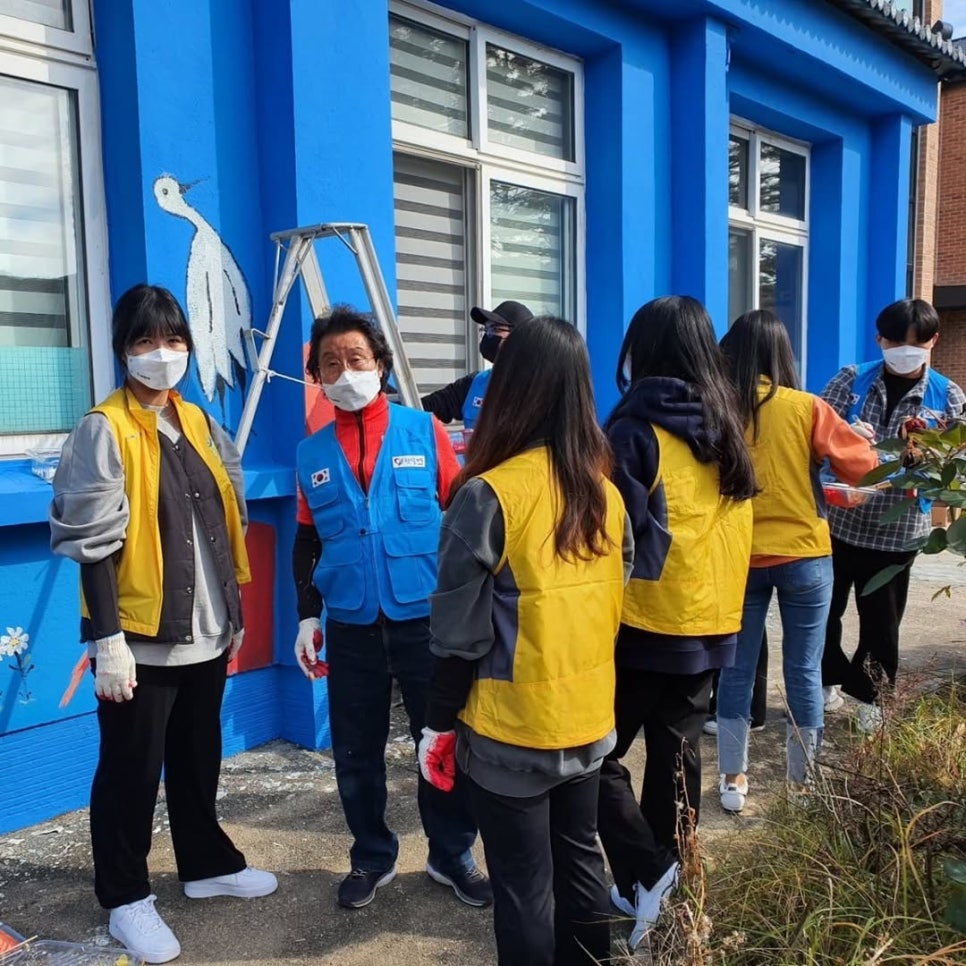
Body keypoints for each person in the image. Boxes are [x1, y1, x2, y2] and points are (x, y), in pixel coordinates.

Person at [48, 284, 277, 965]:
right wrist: (107, 639)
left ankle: (205, 864)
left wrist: (234, 611)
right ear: (123, 349)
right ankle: (125, 896)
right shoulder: (104, 428)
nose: (161, 353)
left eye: (173, 340)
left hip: (204, 628)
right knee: (130, 770)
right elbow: (92, 542)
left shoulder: (198, 421)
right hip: (140, 640)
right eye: (145, 341)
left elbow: (227, 519)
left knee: (198, 755)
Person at [418, 315, 632, 965]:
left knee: (523, 888)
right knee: (581, 865)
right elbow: (616, 594)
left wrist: (438, 724)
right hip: (588, 717)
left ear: (509, 387)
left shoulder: (488, 494)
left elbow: (455, 635)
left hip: (509, 729)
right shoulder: (605, 493)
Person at [292, 305, 489, 911]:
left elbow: (465, 515)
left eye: (355, 358)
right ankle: (372, 856)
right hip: (351, 623)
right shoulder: (311, 453)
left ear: (379, 364)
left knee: (441, 740)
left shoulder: (423, 430)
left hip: (426, 621)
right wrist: (306, 615)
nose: (344, 371)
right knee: (355, 751)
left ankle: (451, 853)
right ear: (317, 377)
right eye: (330, 363)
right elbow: (307, 539)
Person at [595, 295, 756, 950]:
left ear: (643, 352)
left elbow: (609, 536)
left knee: (589, 757)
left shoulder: (634, 431)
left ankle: (648, 870)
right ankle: (662, 890)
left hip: (642, 625)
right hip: (711, 624)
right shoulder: (728, 428)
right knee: (676, 760)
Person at [715, 310, 878, 811]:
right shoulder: (807, 407)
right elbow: (863, 466)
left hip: (740, 556)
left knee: (736, 670)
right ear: (782, 354)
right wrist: (857, 440)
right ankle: (803, 783)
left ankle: (733, 779)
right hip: (806, 553)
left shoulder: (717, 409)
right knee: (804, 670)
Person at [820, 298, 965, 731]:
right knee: (824, 611)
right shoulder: (851, 381)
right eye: (895, 341)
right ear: (878, 339)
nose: (906, 351)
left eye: (917, 343)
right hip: (839, 521)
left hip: (898, 530)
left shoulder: (948, 397)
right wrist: (844, 437)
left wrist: (929, 461)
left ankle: (872, 698)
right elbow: (813, 436)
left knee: (881, 621)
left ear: (933, 341)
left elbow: (955, 461)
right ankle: (826, 679)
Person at [420, 299, 533, 428]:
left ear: (519, 337)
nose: (488, 336)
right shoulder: (474, 384)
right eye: (486, 329)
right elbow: (424, 407)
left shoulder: (540, 389)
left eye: (494, 329)